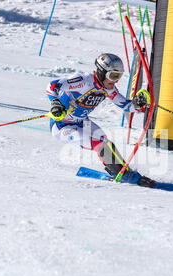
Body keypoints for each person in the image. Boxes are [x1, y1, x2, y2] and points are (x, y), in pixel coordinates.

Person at [45, 53, 155, 187]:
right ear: (102, 72)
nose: (115, 81)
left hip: (81, 122)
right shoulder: (83, 81)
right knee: (100, 144)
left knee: (107, 143)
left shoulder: (108, 89)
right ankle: (125, 175)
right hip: (62, 127)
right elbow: (52, 86)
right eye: (113, 76)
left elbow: (126, 106)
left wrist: (138, 103)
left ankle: (121, 172)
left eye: (118, 76)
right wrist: (55, 104)